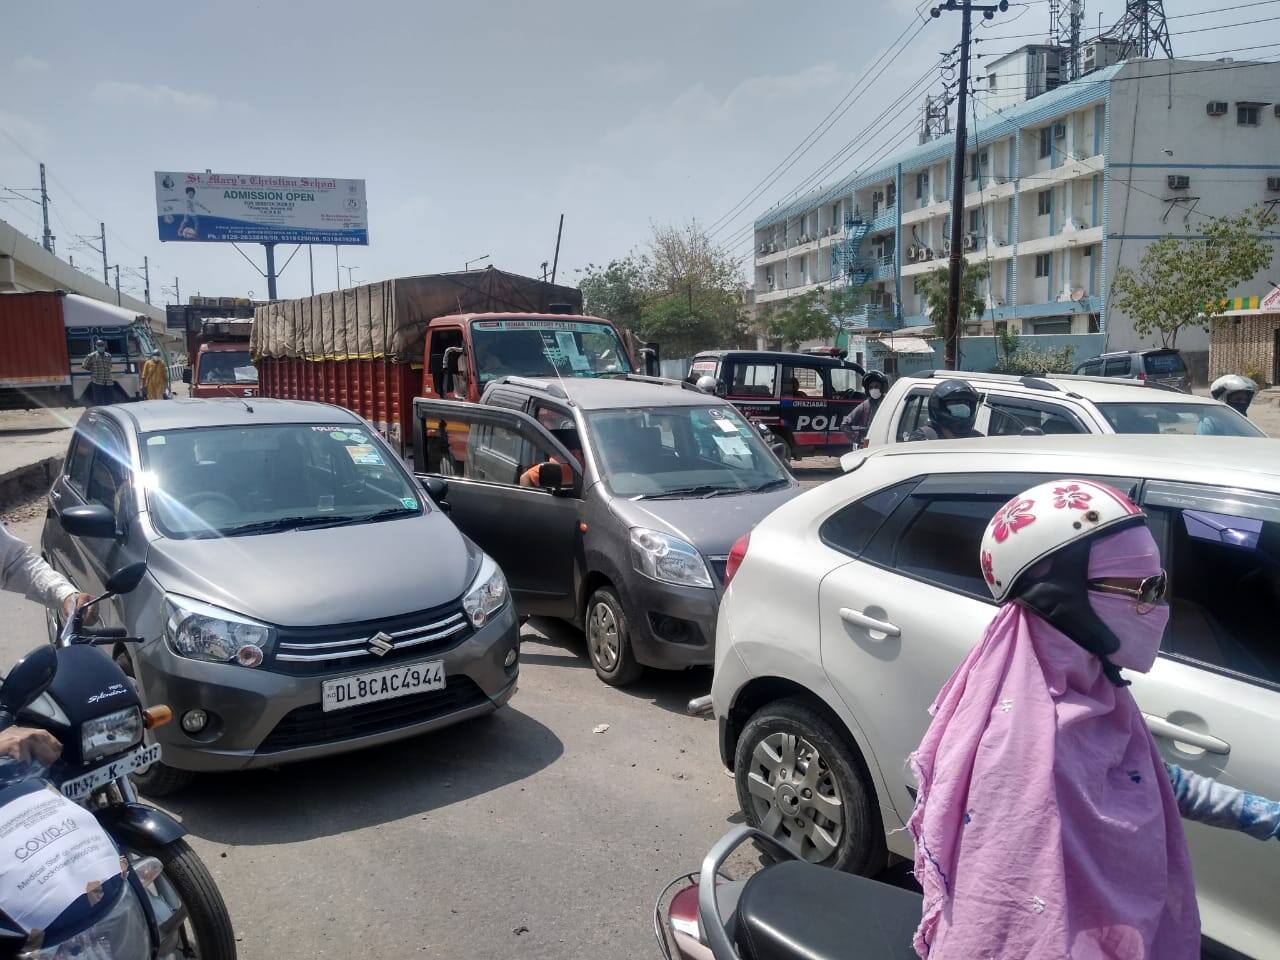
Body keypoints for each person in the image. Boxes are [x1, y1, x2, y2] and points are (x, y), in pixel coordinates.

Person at [909, 479, 1280, 959]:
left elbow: (1143, 778)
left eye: (1162, 585)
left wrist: (1259, 814)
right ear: (1062, 596)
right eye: (1146, 589)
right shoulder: (1016, 743)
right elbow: (1012, 915)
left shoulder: (1094, 686)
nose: (1160, 608)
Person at [908, 378, 982, 441]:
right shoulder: (924, 436)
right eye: (955, 402)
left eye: (966, 402)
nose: (963, 406)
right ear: (939, 406)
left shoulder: (977, 438)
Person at [840, 370, 889, 445]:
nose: (874, 389)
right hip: (868, 445)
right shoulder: (864, 405)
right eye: (871, 387)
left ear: (882, 387)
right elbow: (844, 425)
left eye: (876, 386)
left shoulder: (889, 402)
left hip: (885, 443)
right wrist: (858, 439)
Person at [81, 339, 114, 406]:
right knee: (99, 401)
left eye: (102, 345)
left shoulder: (108, 356)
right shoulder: (91, 356)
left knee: (110, 401)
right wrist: (93, 370)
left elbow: (110, 366)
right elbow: (84, 365)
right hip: (97, 381)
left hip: (108, 382)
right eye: (99, 346)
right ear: (96, 346)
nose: (101, 347)